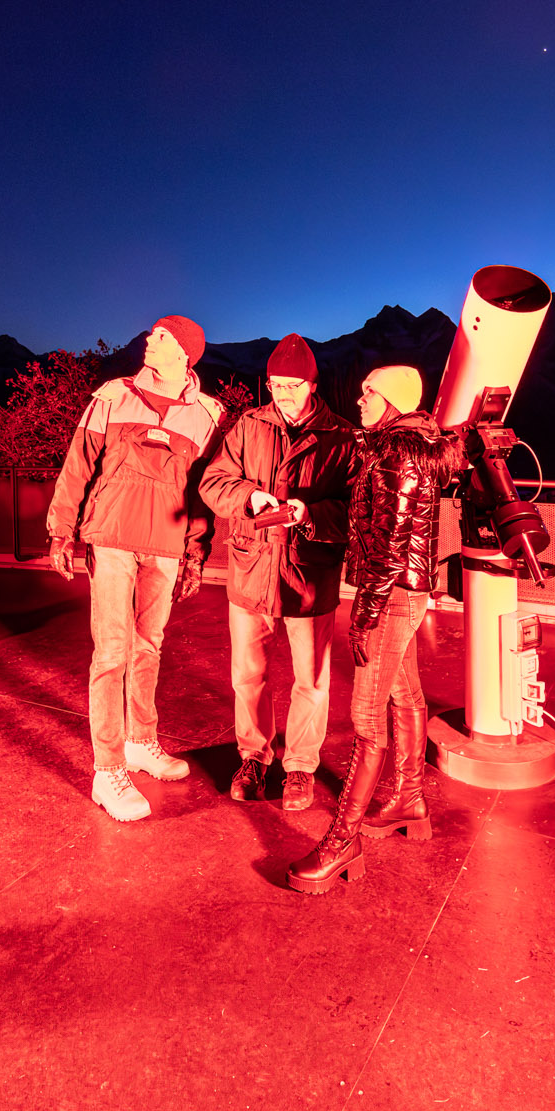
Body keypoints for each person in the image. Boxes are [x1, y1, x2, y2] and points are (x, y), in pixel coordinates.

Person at [288, 364, 462, 894]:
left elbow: (388, 548)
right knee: (404, 689)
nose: (359, 398)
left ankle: (343, 839)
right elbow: (378, 527)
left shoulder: (398, 452)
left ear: (392, 400)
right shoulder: (399, 445)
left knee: (366, 711)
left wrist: (363, 616)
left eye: (369, 392)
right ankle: (409, 799)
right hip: (401, 590)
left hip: (390, 593)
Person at [47, 314, 224, 823]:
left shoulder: (208, 414)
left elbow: (202, 493)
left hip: (166, 547)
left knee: (149, 647)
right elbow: (78, 463)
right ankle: (107, 770)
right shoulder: (112, 396)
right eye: (152, 335)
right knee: (112, 652)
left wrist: (194, 550)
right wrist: (62, 529)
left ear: (186, 354)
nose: (150, 341)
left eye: (163, 337)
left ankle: (140, 742)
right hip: (113, 539)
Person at [198, 333, 359, 812]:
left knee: (311, 680)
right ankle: (254, 756)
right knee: (249, 676)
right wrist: (249, 496)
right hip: (252, 571)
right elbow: (213, 481)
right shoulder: (248, 425)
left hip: (309, 577)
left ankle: (301, 767)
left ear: (312, 385)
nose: (281, 393)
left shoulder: (342, 438)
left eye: (291, 385)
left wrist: (308, 514)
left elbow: (355, 509)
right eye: (274, 384)